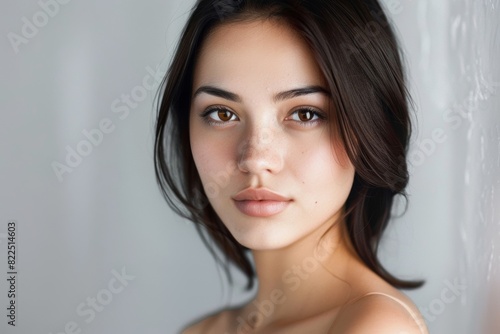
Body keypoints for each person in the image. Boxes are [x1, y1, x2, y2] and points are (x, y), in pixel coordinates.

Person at [154, 0, 429, 333]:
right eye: (222, 114)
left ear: (369, 126)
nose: (255, 157)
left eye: (305, 114)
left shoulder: (375, 327)